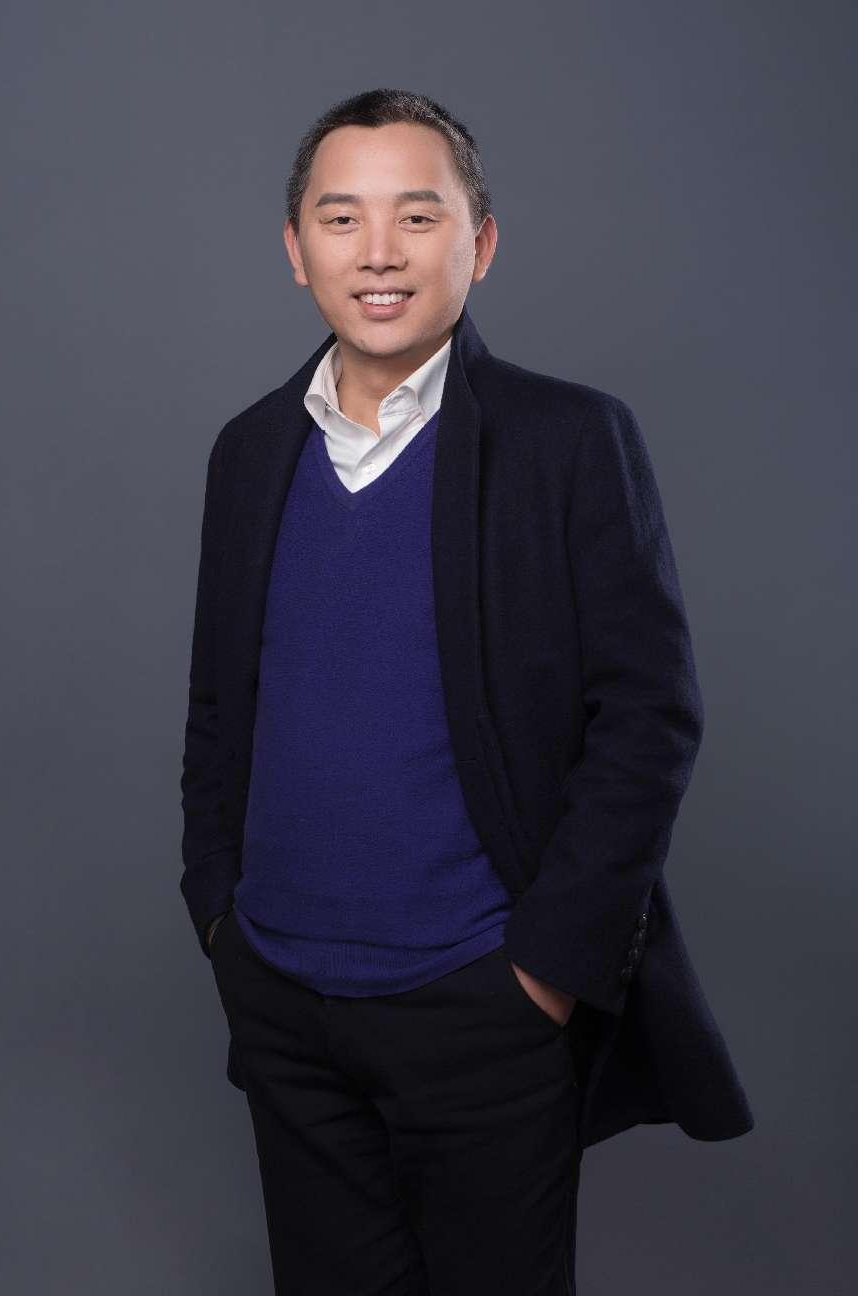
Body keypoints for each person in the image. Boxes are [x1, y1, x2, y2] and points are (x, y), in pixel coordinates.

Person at [179, 87, 754, 1296]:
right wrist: (220, 916)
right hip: (281, 996)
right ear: (296, 249)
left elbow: (648, 718)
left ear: (479, 243)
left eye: (418, 215)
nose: (378, 252)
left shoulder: (568, 442)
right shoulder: (249, 450)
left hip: (483, 1001)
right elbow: (220, 711)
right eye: (341, 218)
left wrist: (547, 968)